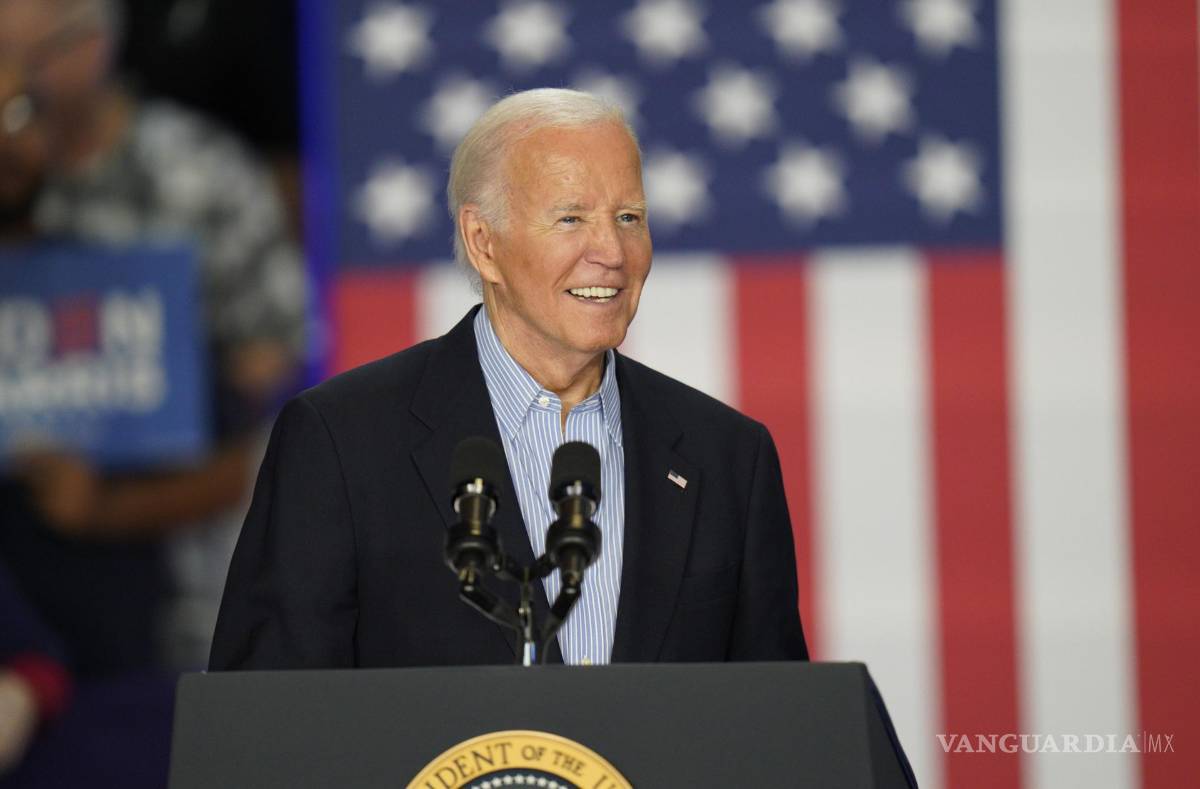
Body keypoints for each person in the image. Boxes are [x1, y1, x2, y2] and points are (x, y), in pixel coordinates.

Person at [209, 89, 808, 670]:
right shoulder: (340, 442)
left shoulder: (728, 457)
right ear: (483, 242)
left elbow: (776, 717)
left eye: (629, 217)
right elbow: (269, 713)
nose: (612, 252)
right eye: (571, 218)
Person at [0, 0, 307, 671]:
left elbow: (272, 389)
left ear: (90, 46)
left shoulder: (196, 175)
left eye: (23, 59)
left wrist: (109, 501)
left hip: (173, 607)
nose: (11, 83)